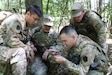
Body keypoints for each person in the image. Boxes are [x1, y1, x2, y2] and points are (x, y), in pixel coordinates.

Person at [0, 5, 42, 75]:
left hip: (6, 50)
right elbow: (11, 41)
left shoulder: (27, 26)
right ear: (28, 14)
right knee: (20, 52)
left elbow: (26, 40)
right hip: (3, 48)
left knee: (26, 53)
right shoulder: (15, 21)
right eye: (35, 19)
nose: (36, 22)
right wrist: (27, 49)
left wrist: (30, 48)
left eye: (37, 20)